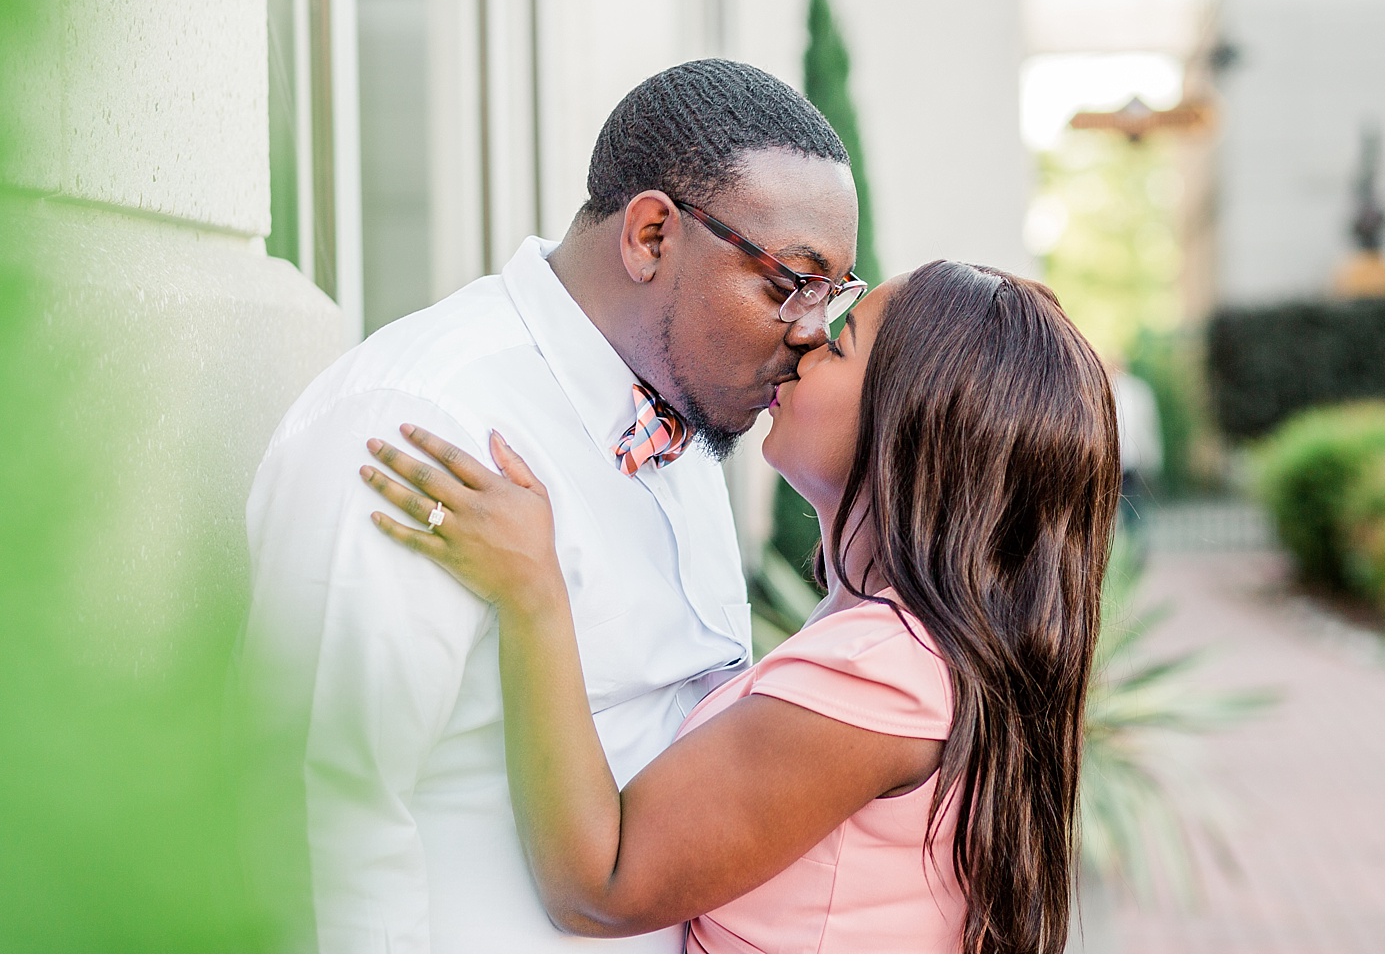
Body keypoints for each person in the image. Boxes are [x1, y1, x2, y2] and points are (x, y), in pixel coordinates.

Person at [241, 59, 862, 950]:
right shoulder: (421, 423)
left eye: (835, 292)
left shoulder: (689, 418)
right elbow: (311, 816)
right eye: (790, 280)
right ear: (651, 235)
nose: (812, 329)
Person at [359, 261, 1121, 952]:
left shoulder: (884, 672)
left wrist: (533, 592)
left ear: (911, 434)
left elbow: (601, 884)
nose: (806, 336)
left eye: (841, 343)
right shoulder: (913, 650)